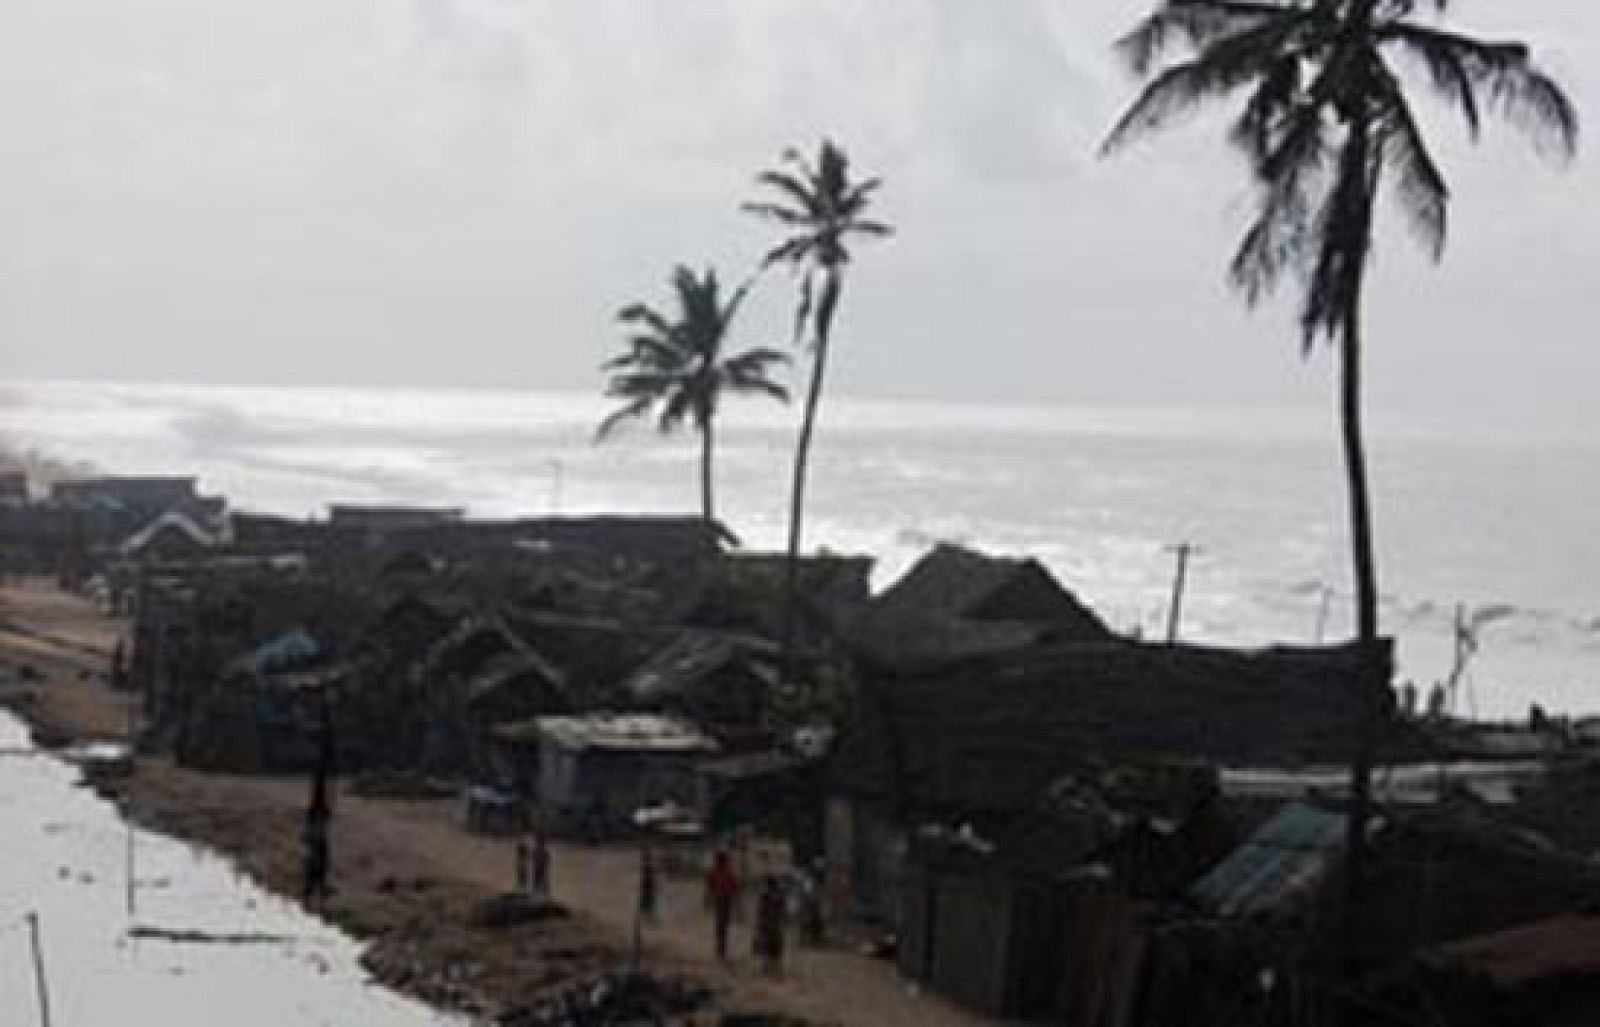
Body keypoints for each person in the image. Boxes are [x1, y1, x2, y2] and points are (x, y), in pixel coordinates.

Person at [706, 848, 739, 960]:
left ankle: (721, 948)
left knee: (722, 925)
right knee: (722, 925)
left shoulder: (723, 872)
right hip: (723, 900)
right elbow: (710, 886)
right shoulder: (723, 872)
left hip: (723, 900)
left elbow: (734, 888)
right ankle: (721, 948)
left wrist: (708, 899)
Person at [754, 875, 786, 975]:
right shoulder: (779, 895)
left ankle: (765, 968)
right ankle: (775, 968)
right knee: (774, 947)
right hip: (775, 924)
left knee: (766, 946)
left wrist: (760, 923)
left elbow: (761, 910)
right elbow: (782, 911)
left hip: (767, 924)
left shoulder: (765, 895)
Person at [531, 826, 552, 900]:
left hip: (540, 872)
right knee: (539, 888)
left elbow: (545, 862)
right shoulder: (543, 852)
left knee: (539, 888)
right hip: (539, 873)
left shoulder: (541, 852)